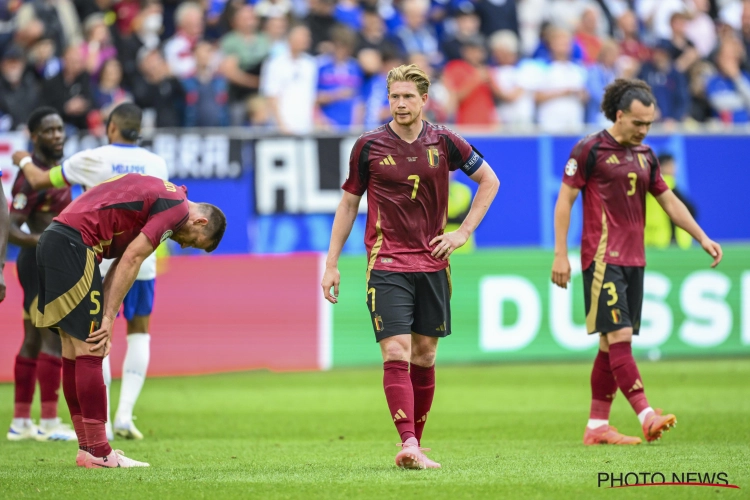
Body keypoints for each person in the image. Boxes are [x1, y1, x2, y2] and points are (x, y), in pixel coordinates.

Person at [321, 64, 499, 469]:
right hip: (386, 264)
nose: (400, 104)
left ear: (424, 100)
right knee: (395, 351)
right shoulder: (368, 146)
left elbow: (490, 181)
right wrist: (332, 263)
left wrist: (462, 232)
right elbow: (349, 203)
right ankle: (408, 442)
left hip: (433, 264)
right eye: (394, 97)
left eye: (407, 97)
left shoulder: (446, 141)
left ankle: (417, 441)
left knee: (425, 355)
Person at [550, 78, 722, 446]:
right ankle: (647, 415)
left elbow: (670, 201)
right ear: (619, 114)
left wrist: (702, 237)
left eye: (649, 124)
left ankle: (597, 426)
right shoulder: (589, 149)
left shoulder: (645, 155)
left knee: (608, 346)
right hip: (601, 257)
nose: (644, 130)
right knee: (620, 336)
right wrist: (560, 253)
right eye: (638, 123)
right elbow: (564, 201)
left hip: (634, 260)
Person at [19, 172, 225, 468]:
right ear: (200, 222)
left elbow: (124, 257)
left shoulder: (166, 195)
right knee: (94, 347)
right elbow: (133, 259)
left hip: (55, 240)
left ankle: (88, 449)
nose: (184, 245)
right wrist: (108, 317)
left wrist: (104, 307)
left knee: (72, 349)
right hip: (75, 246)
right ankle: (101, 452)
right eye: (194, 242)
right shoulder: (177, 210)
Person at [12, 103, 169, 442]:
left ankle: (103, 425)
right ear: (138, 129)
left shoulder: (92, 157)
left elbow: (40, 179)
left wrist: (22, 159)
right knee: (139, 331)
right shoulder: (157, 163)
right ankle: (125, 414)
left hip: (96, 257)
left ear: (111, 127)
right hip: (141, 258)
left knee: (91, 335)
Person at [6, 108, 75, 442]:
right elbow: (9, 226)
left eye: (60, 129)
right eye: (49, 131)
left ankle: (21, 422)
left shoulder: (53, 173)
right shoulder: (28, 180)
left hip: (49, 262)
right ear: (34, 137)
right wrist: (46, 239)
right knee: (51, 336)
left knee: (33, 339)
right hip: (37, 263)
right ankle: (48, 423)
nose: (57, 136)